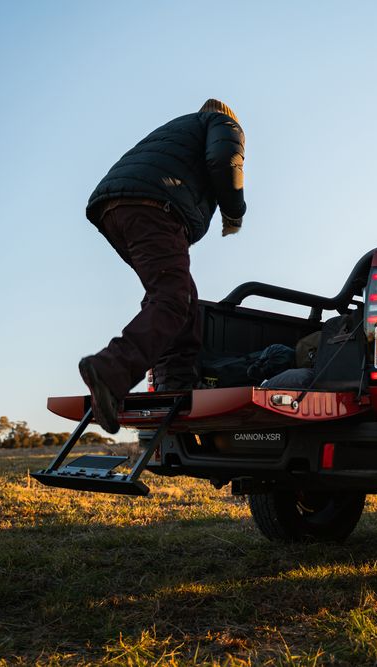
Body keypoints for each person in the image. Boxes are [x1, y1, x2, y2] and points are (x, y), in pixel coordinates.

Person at [78, 99, 246, 433]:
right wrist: (234, 211)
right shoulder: (223, 124)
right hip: (153, 206)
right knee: (172, 298)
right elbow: (224, 159)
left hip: (117, 208)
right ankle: (111, 369)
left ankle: (174, 386)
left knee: (180, 300)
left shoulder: (178, 133)